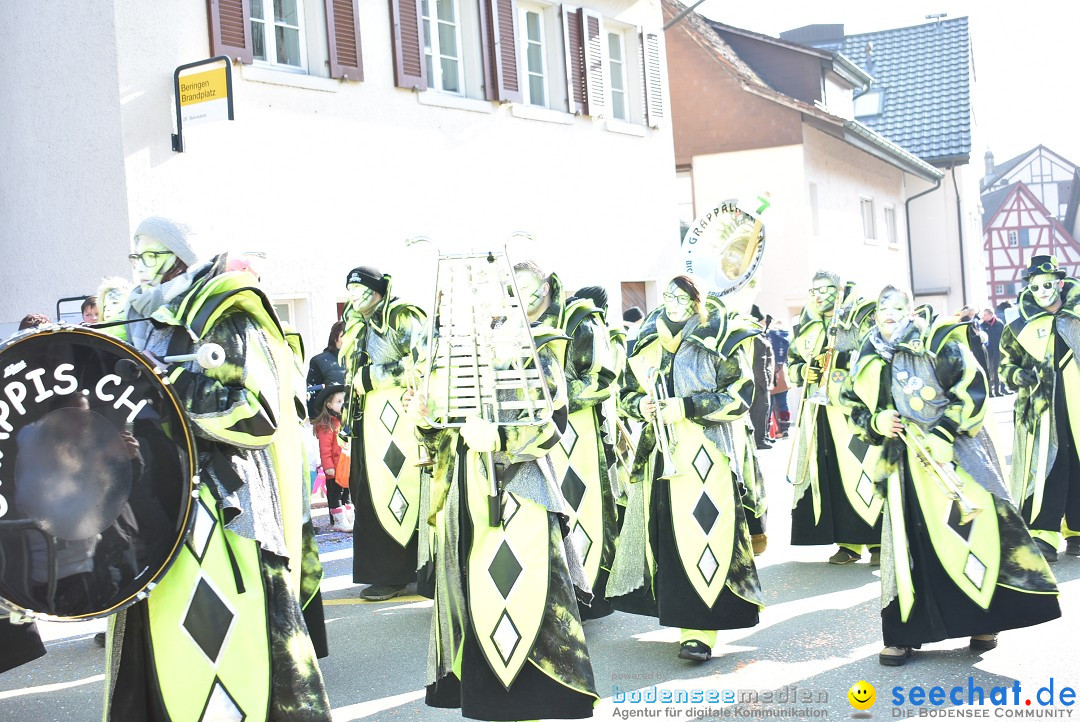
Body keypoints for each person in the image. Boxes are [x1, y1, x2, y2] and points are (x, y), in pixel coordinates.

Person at [106, 216, 330, 720]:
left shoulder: (225, 313)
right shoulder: (139, 319)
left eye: (152, 256)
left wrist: (169, 393)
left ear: (181, 256)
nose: (142, 268)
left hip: (224, 503)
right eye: (136, 257)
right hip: (151, 506)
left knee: (237, 645)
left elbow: (259, 416)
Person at [842, 285, 1060, 666]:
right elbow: (851, 404)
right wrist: (875, 421)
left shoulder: (939, 339)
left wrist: (943, 435)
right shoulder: (867, 355)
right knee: (910, 546)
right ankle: (904, 634)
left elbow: (971, 391)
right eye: (882, 307)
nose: (889, 313)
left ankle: (982, 621)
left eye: (897, 307)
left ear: (910, 311)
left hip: (958, 454)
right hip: (904, 465)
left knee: (971, 537)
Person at [405, 299, 598, 720]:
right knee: (474, 594)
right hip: (465, 495)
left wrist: (500, 437)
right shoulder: (443, 359)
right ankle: (493, 704)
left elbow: (552, 424)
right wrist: (423, 420)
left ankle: (531, 702)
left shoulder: (535, 348)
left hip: (520, 491)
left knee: (524, 593)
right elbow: (439, 437)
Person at [609, 275, 763, 662]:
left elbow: (742, 396)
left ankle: (702, 630)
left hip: (708, 453)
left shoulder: (719, 333)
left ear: (698, 300)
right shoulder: (647, 334)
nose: (674, 302)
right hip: (661, 452)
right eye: (669, 295)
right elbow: (626, 393)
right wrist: (637, 406)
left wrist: (689, 407)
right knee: (672, 540)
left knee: (707, 531)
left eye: (683, 296)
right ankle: (685, 624)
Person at [513, 264, 619, 621]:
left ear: (544, 287)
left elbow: (602, 379)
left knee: (581, 509)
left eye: (525, 285)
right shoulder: (510, 326)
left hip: (576, 433)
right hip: (530, 437)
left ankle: (590, 597)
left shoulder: (579, 319)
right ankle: (552, 596)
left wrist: (551, 395)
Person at [339, 266, 426, 601]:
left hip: (398, 420)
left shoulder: (401, 316)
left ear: (378, 290)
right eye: (349, 288)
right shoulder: (356, 323)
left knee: (398, 487)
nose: (354, 294)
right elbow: (352, 378)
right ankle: (384, 571)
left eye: (359, 287)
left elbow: (421, 360)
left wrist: (375, 378)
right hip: (367, 422)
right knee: (368, 494)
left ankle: (400, 572)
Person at [787, 271, 882, 564]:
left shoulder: (861, 315)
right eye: (814, 289)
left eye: (825, 289)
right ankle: (848, 542)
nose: (818, 295)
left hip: (855, 407)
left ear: (839, 289)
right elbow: (793, 364)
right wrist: (804, 372)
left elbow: (872, 353)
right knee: (833, 474)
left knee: (865, 468)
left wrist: (839, 374)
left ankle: (879, 541)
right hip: (821, 413)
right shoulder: (807, 325)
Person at [999, 255, 1080, 561]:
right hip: (1040, 409)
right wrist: (1017, 375)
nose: (1043, 292)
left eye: (1048, 285)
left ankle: (1077, 532)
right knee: (1047, 466)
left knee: (1077, 462)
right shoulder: (1019, 322)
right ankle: (1043, 533)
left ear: (1059, 283)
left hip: (1077, 402)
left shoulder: (1078, 312)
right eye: (1035, 287)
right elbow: (1005, 363)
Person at [312, 384, 350, 532]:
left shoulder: (344, 422)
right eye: (338, 402)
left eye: (344, 401)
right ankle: (338, 520)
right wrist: (328, 467)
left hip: (345, 466)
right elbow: (325, 449)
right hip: (334, 467)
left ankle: (349, 516)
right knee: (336, 493)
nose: (342, 404)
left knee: (347, 492)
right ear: (329, 404)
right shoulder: (326, 425)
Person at [307, 320, 346, 418]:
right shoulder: (319, 361)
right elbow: (312, 394)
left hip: (357, 421)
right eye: (343, 336)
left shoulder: (360, 359)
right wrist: (316, 422)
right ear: (335, 338)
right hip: (329, 423)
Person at [765, 316, 792, 438]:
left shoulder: (769, 336)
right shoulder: (788, 336)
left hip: (770, 371)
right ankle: (785, 429)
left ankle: (768, 431)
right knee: (783, 402)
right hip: (783, 372)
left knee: (768, 403)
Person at [979, 308, 1005, 396]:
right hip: (987, 351)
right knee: (989, 371)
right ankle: (989, 391)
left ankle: (998, 390)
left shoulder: (999, 324)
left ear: (991, 315)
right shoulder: (981, 325)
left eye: (985, 314)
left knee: (997, 370)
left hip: (998, 350)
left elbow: (1004, 337)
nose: (983, 316)